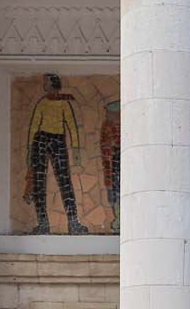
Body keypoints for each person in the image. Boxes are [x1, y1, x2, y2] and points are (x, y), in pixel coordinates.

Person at [23, 73, 88, 235]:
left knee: (65, 180)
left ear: (53, 84)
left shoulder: (64, 103)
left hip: (58, 140)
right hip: (41, 140)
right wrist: (29, 149)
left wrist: (76, 147)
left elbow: (72, 125)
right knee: (39, 182)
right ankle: (43, 223)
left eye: (46, 82)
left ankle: (73, 222)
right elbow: (34, 125)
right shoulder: (42, 103)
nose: (44, 85)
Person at [99, 99, 120, 234]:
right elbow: (104, 147)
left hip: (117, 161)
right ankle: (118, 218)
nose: (107, 115)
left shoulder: (119, 126)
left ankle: (120, 219)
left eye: (109, 113)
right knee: (114, 192)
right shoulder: (106, 125)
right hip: (111, 163)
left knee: (118, 191)